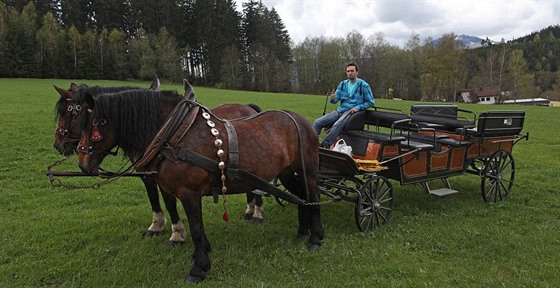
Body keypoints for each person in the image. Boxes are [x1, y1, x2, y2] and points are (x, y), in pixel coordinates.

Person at [313, 62, 375, 148]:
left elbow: (370, 102)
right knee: (317, 122)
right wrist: (333, 98)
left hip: (351, 112)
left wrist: (357, 108)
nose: (350, 73)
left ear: (357, 72)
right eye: (348, 71)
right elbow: (334, 101)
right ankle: (312, 143)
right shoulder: (342, 84)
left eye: (352, 71)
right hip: (340, 110)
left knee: (337, 125)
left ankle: (325, 145)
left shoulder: (363, 85)